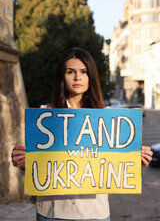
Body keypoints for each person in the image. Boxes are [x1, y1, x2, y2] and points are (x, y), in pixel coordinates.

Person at [12, 48, 153, 221]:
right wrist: (23, 163)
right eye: (70, 71)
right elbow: (37, 168)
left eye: (84, 72)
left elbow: (114, 166)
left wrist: (135, 161)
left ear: (90, 76)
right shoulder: (44, 116)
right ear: (61, 77)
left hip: (94, 213)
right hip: (52, 212)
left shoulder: (108, 116)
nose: (77, 77)